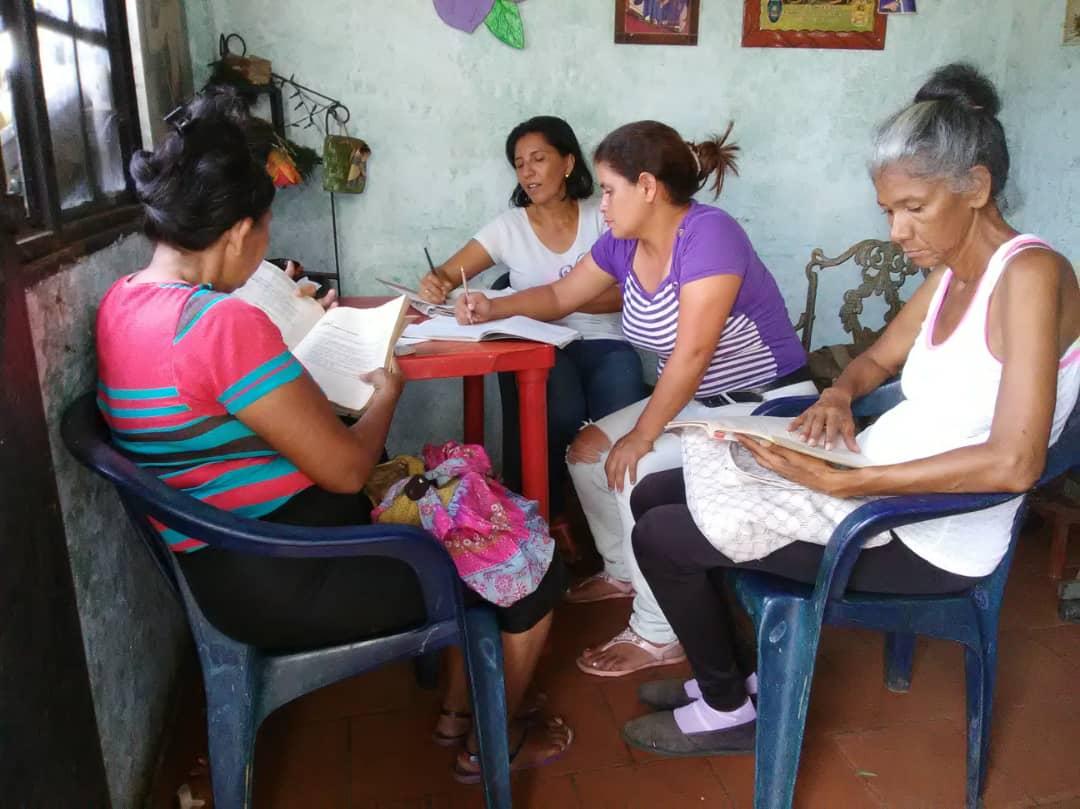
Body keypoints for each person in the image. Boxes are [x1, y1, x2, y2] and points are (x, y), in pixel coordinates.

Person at [94, 88, 572, 781]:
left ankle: (453, 712)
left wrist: (288, 328)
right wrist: (386, 389)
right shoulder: (220, 325)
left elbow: (221, 404)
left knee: (465, 495)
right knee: (530, 556)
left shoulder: (126, 300)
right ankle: (497, 737)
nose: (263, 253)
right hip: (293, 571)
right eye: (262, 234)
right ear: (234, 233)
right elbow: (348, 469)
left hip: (229, 557)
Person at [620, 62, 1080, 757]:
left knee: (664, 538)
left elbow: (1016, 462)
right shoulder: (951, 271)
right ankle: (740, 677)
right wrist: (837, 396)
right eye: (888, 211)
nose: (898, 230)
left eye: (914, 207)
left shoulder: (1031, 275)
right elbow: (874, 360)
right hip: (875, 475)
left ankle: (729, 708)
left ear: (976, 187)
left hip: (927, 532)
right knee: (657, 490)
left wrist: (849, 482)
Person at [454, 120, 815, 678]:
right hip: (703, 403)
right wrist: (490, 306)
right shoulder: (624, 243)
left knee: (633, 465)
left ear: (647, 186)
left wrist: (643, 434)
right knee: (588, 452)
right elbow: (559, 294)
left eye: (609, 190)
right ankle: (623, 569)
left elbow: (693, 353)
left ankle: (656, 632)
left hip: (763, 406)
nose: (602, 206)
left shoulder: (710, 234)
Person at [418, 115, 647, 519]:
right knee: (561, 411)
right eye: (520, 164)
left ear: (568, 163)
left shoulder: (603, 216)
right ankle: (552, 516)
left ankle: (622, 521)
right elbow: (450, 273)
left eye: (538, 159)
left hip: (605, 341)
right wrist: (436, 282)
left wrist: (554, 298)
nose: (528, 172)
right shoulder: (510, 227)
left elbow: (626, 295)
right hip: (540, 342)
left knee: (623, 410)